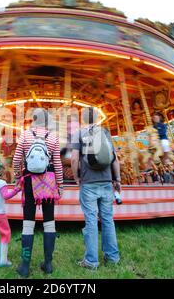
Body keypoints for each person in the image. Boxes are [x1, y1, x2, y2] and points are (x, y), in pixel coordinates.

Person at [13, 108, 64, 278]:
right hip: (48, 181)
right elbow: (57, 163)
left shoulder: (26, 134)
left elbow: (16, 158)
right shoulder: (54, 137)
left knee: (28, 222)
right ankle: (48, 264)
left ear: (33, 119)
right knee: (49, 221)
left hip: (29, 180)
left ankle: (25, 266)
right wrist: (61, 185)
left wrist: (17, 177)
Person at [71, 107, 121, 270]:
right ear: (98, 118)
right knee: (108, 219)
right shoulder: (105, 132)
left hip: (88, 182)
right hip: (106, 181)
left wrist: (77, 177)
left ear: (83, 119)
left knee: (91, 221)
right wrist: (117, 179)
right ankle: (112, 258)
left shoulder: (79, 133)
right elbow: (114, 159)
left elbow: (74, 159)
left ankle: (91, 261)